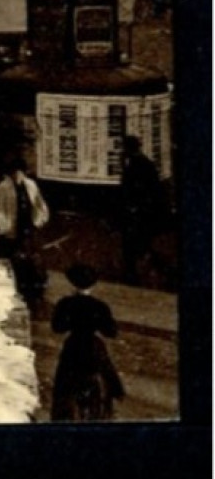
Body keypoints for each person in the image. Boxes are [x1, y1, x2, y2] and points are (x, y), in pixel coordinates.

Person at [50, 263, 125, 421]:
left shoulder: (65, 304)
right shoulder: (99, 306)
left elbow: (57, 328)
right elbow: (111, 332)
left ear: (72, 282)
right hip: (93, 347)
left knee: (64, 384)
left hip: (73, 347)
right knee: (104, 377)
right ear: (93, 284)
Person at [0, 158, 50, 301]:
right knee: (7, 259)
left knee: (29, 259)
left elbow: (40, 205)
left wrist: (38, 221)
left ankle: (29, 290)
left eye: (19, 173)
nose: (17, 177)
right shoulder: (3, 187)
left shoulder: (31, 186)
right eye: (14, 174)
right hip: (9, 230)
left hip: (27, 228)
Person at [118, 135, 163, 284]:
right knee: (138, 241)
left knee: (134, 241)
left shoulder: (139, 165)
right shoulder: (140, 163)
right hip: (139, 210)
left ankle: (134, 271)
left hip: (138, 211)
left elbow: (142, 189)